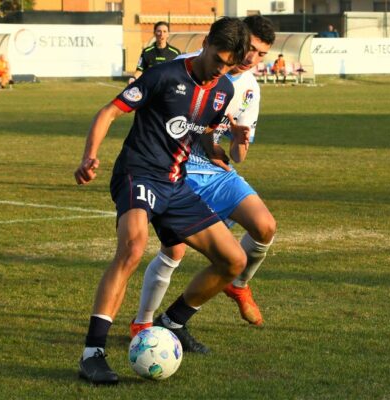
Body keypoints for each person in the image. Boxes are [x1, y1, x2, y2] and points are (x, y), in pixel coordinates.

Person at [75, 17, 250, 385]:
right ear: (206, 43)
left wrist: (229, 143)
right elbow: (108, 112)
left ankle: (170, 324)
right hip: (138, 173)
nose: (220, 69)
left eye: (228, 64)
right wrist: (89, 156)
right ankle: (93, 353)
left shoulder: (223, 91)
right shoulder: (164, 76)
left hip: (176, 184)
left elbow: (200, 134)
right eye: (218, 59)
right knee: (133, 248)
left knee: (233, 259)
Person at [129, 16, 276, 344]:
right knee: (174, 250)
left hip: (216, 170)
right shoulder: (188, 67)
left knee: (265, 226)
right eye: (249, 48)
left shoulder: (250, 88)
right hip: (179, 170)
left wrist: (240, 139)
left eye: (261, 54)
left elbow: (236, 156)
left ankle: (235, 286)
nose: (251, 58)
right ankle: (143, 323)